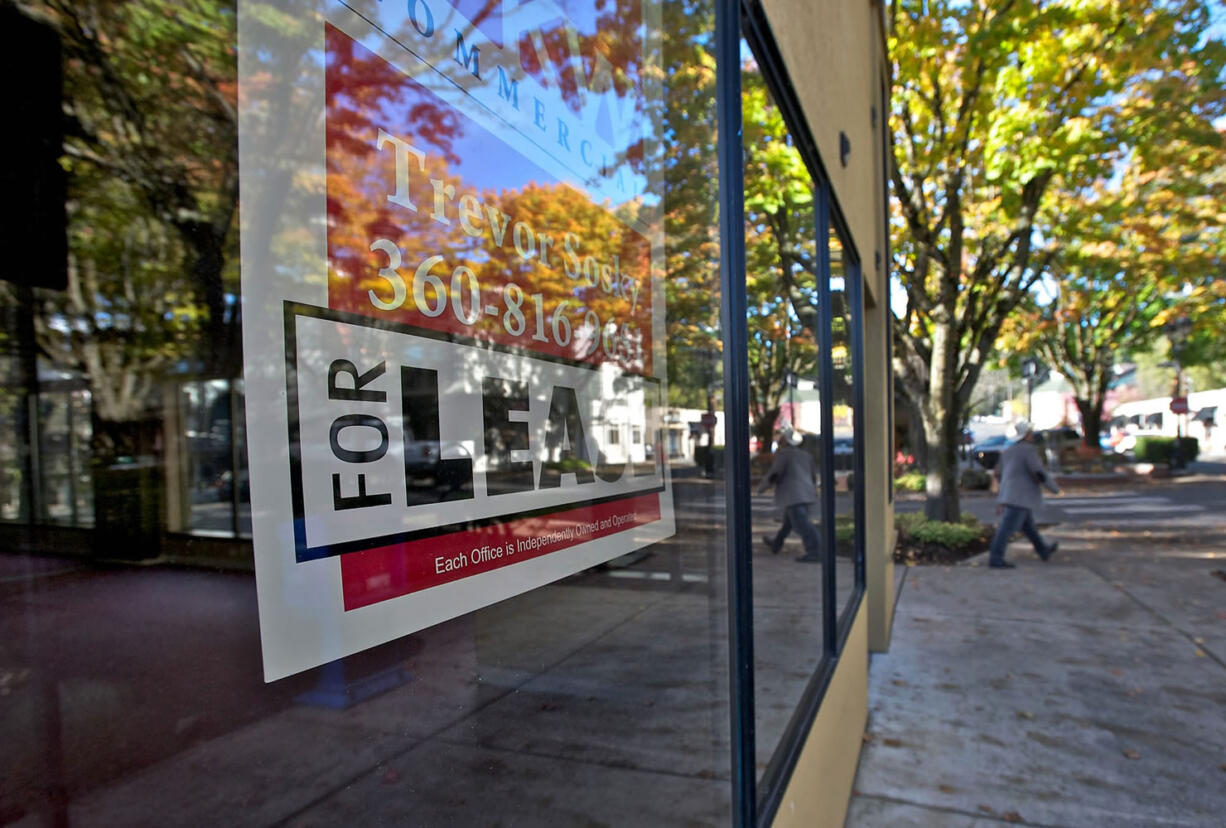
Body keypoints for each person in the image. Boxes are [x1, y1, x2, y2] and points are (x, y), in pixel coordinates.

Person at [988, 420, 1060, 569]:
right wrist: (1054, 488)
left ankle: (1043, 550)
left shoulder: (1008, 451)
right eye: (1030, 433)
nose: (1032, 436)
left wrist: (1001, 498)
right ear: (1027, 435)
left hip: (1010, 494)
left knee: (1028, 527)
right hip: (1020, 496)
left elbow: (1000, 474)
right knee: (1007, 529)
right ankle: (995, 558)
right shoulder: (1028, 450)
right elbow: (1038, 471)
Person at [757, 425, 821, 562]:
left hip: (793, 495)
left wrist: (761, 488)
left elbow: (775, 474)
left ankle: (815, 551)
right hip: (805, 493)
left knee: (802, 525)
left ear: (786, 441)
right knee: (788, 523)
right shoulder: (805, 455)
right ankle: (777, 543)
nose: (780, 440)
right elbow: (813, 475)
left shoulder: (784, 455)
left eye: (782, 439)